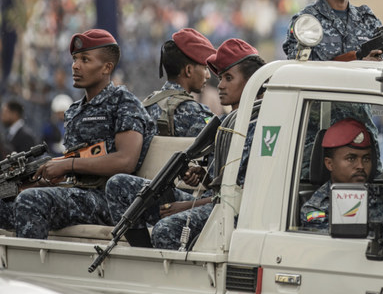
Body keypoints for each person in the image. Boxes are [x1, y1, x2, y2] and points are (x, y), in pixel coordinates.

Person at [106, 38, 266, 249]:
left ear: (251, 82)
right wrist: (205, 176)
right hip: (210, 202)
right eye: (221, 78)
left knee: (165, 229)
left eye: (228, 78)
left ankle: (157, 271)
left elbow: (241, 197)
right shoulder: (231, 121)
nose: (220, 85)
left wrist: (186, 206)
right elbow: (222, 181)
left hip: (231, 210)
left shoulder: (258, 125)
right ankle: (145, 257)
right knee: (118, 185)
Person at [0, 29, 156, 238]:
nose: (75, 65)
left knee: (32, 200)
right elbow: (75, 166)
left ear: (106, 67)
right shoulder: (74, 111)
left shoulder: (124, 103)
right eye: (75, 59)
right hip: (75, 192)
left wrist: (66, 164)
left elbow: (126, 160)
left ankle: (32, 270)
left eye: (85, 59)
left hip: (110, 200)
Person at [300, 118, 383, 240]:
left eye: (366, 159)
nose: (360, 166)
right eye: (351, 158)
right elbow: (333, 251)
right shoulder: (317, 209)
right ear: (329, 164)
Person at [143, 28, 216, 137]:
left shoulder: (147, 105)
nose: (208, 75)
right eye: (205, 68)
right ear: (189, 70)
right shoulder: (198, 114)